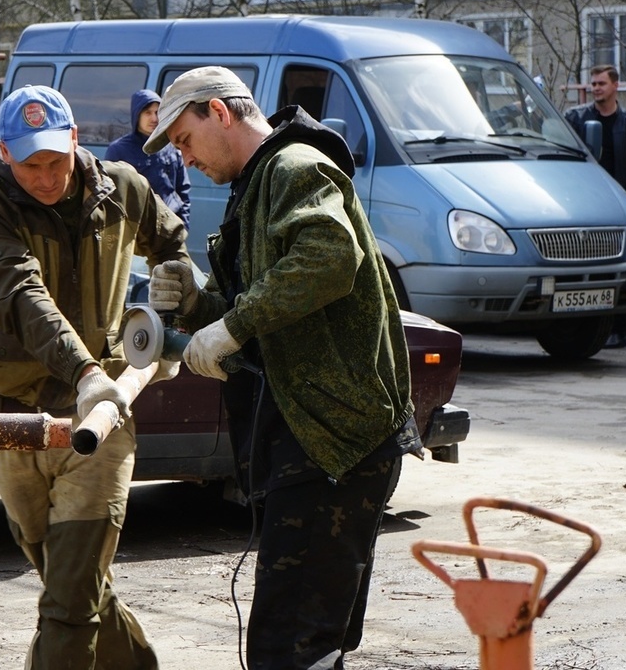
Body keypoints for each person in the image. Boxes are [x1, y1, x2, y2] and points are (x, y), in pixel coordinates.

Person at [142, 66, 422, 670]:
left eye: (185, 140)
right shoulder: (257, 188)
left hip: (333, 446)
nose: (184, 160)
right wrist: (196, 304)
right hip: (311, 442)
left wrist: (230, 328)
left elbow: (328, 257)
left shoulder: (294, 168)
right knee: (306, 643)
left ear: (218, 112)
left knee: (288, 647)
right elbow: (262, 301)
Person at [0, 84, 188, 670]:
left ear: (75, 140)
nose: (47, 175)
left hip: (100, 419)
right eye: (31, 163)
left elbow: (172, 243)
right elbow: (18, 293)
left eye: (56, 159)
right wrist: (81, 370)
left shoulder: (123, 187)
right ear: (4, 153)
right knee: (66, 577)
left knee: (69, 599)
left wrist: (175, 298)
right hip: (11, 415)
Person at [564, 64, 626, 349]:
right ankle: (581, 328)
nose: (596, 88)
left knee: (621, 269)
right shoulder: (577, 119)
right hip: (585, 205)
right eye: (594, 83)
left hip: (619, 206)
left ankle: (618, 330)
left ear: (615, 85)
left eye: (601, 83)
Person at [106, 89, 191, 228]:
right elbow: (111, 195)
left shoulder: (171, 146)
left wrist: (183, 225)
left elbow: (183, 190)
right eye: (147, 113)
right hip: (137, 230)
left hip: (170, 226)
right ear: (136, 115)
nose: (154, 118)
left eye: (157, 112)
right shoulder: (118, 150)